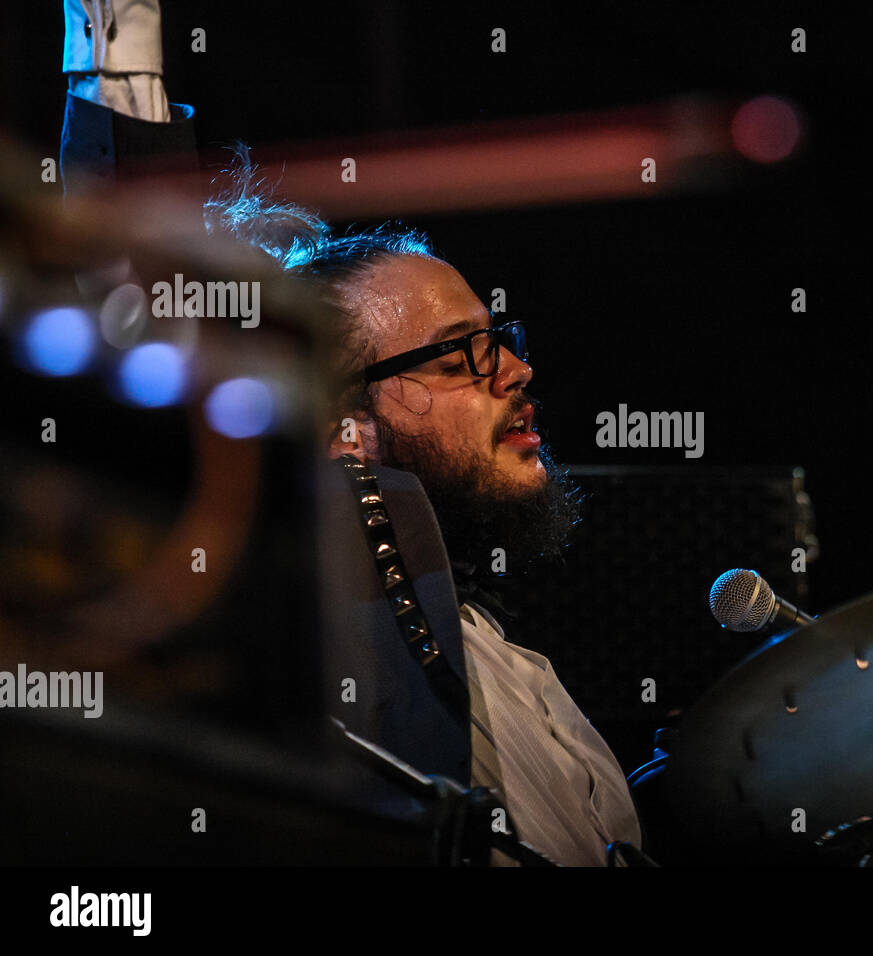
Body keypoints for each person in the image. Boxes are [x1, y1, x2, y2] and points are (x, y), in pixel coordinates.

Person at [59, 0, 643, 866]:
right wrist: (122, 35)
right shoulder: (315, 625)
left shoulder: (522, 670)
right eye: (458, 356)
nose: (513, 373)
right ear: (342, 427)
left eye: (499, 341)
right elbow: (135, 292)